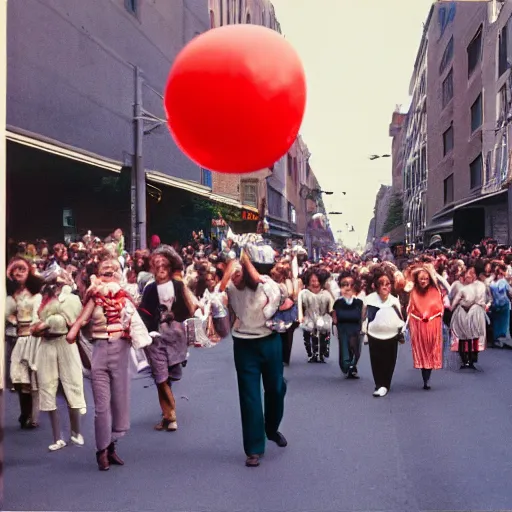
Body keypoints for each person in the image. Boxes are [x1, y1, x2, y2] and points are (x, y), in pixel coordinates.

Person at [67, 255, 151, 471]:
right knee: (102, 405)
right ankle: (101, 450)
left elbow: (139, 323)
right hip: (100, 352)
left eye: (114, 268)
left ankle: (112, 445)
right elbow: (82, 319)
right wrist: (73, 329)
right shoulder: (93, 297)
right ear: (97, 273)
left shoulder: (125, 298)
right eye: (106, 268)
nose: (110, 271)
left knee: (120, 402)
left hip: (121, 352)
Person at [222, 249, 287, 468]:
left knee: (276, 388)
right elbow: (218, 296)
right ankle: (254, 448)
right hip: (244, 343)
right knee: (249, 396)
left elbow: (278, 303)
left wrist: (246, 263)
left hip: (270, 340)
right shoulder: (232, 284)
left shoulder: (269, 284)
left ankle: (271, 429)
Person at [362, 267, 405, 397]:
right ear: (376, 285)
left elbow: (401, 318)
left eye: (388, 284)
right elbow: (363, 317)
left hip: (391, 336)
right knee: (376, 360)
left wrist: (401, 332)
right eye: (382, 284)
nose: (385, 287)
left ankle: (385, 384)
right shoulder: (369, 299)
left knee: (389, 361)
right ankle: (379, 384)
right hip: (374, 335)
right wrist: (364, 331)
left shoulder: (394, 301)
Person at [406, 264, 445, 390]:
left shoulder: (436, 291)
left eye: (426, 279)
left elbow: (439, 308)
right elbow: (410, 309)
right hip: (418, 325)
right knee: (422, 352)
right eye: (421, 278)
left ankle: (427, 375)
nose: (423, 281)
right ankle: (425, 377)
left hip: (432, 325)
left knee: (430, 350)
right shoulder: (413, 292)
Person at [332, 271, 363, 379]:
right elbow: (334, 314)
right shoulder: (338, 302)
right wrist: (335, 322)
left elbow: (362, 315)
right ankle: (347, 366)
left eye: (351, 285)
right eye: (344, 285)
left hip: (355, 327)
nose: (347, 288)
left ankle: (353, 365)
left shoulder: (359, 302)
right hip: (343, 327)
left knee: (355, 348)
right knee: (344, 347)